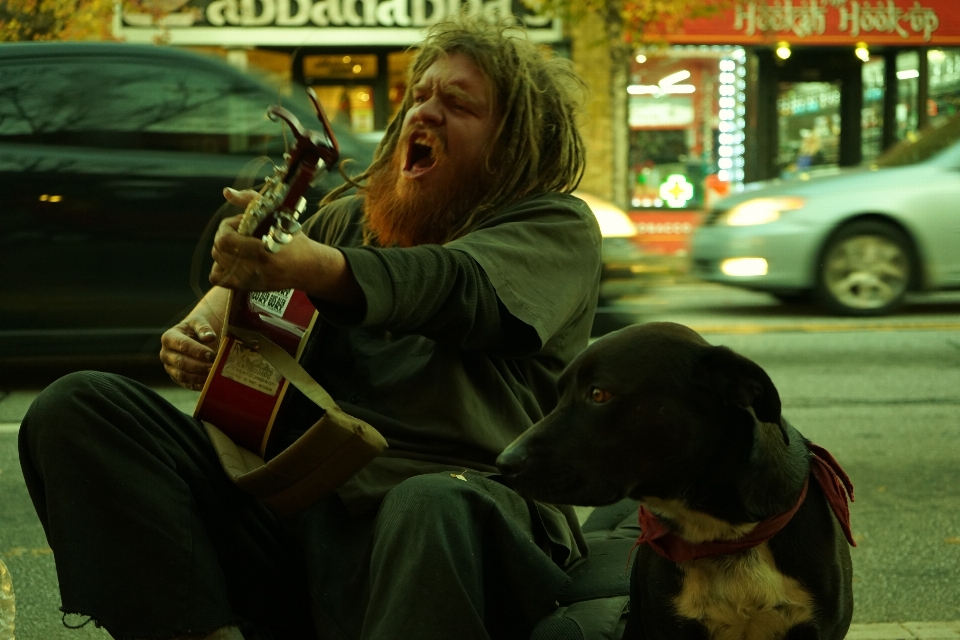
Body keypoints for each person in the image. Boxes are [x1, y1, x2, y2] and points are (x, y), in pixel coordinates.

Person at [18, 15, 601, 640]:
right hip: (311, 514)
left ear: (512, 145)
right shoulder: (346, 222)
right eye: (420, 96)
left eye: (457, 104)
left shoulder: (556, 228)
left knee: (428, 501)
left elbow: (455, 286)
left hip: (469, 521)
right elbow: (249, 304)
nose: (423, 113)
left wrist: (316, 266)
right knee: (79, 407)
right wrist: (206, 330)